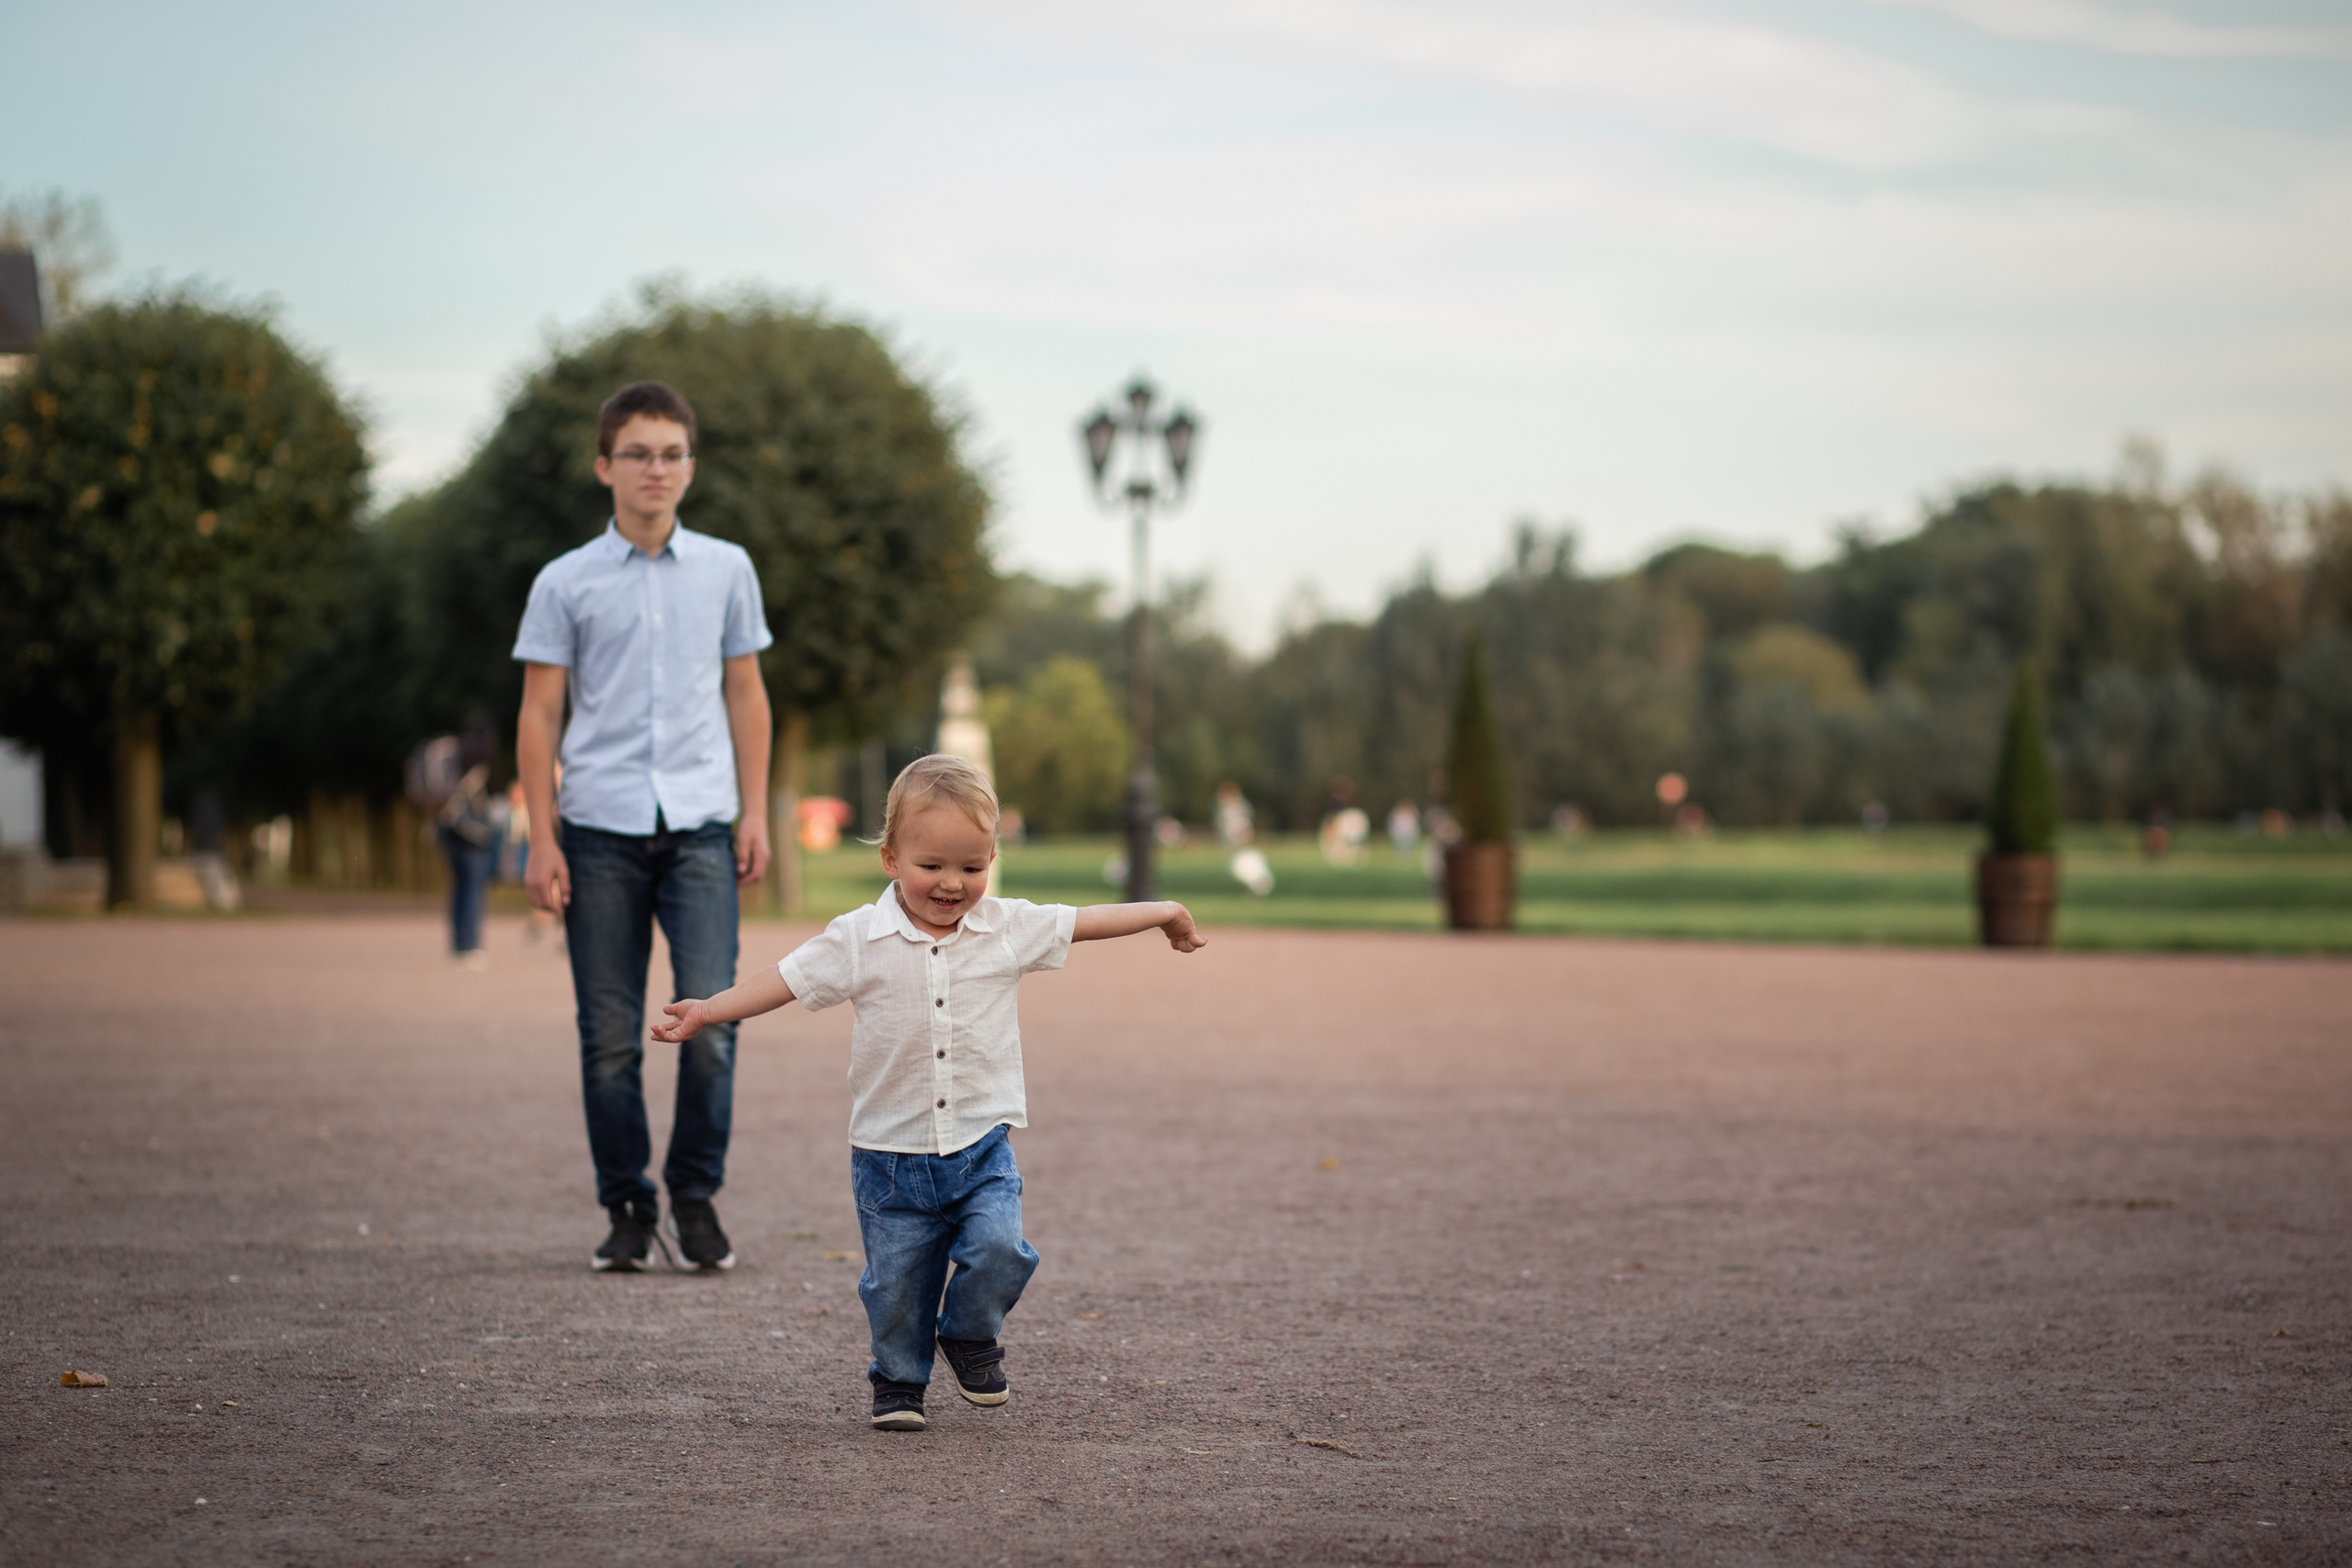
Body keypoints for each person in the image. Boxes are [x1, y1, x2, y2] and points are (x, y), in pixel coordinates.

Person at [650, 754, 1205, 1431]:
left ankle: (969, 1331)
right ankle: (898, 1381)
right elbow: (787, 979)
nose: (952, 883)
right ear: (890, 857)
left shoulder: (1007, 927)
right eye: (932, 865)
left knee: (1001, 1248)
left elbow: (1087, 920)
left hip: (981, 1147)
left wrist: (1167, 913)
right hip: (889, 1157)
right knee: (897, 1287)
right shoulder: (859, 937)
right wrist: (710, 1009)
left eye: (971, 868)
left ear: (992, 859)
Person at [512, 381, 775, 1275]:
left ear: (689, 467)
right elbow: (539, 716)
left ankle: (695, 1196)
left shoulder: (728, 569)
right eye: (637, 454)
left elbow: (746, 692)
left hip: (701, 824)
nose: (654, 469)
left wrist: (756, 810)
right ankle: (628, 1203)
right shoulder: (564, 581)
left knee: (713, 1020)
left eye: (670, 454)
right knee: (609, 1034)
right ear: (604, 467)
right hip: (597, 828)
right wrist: (541, 838)